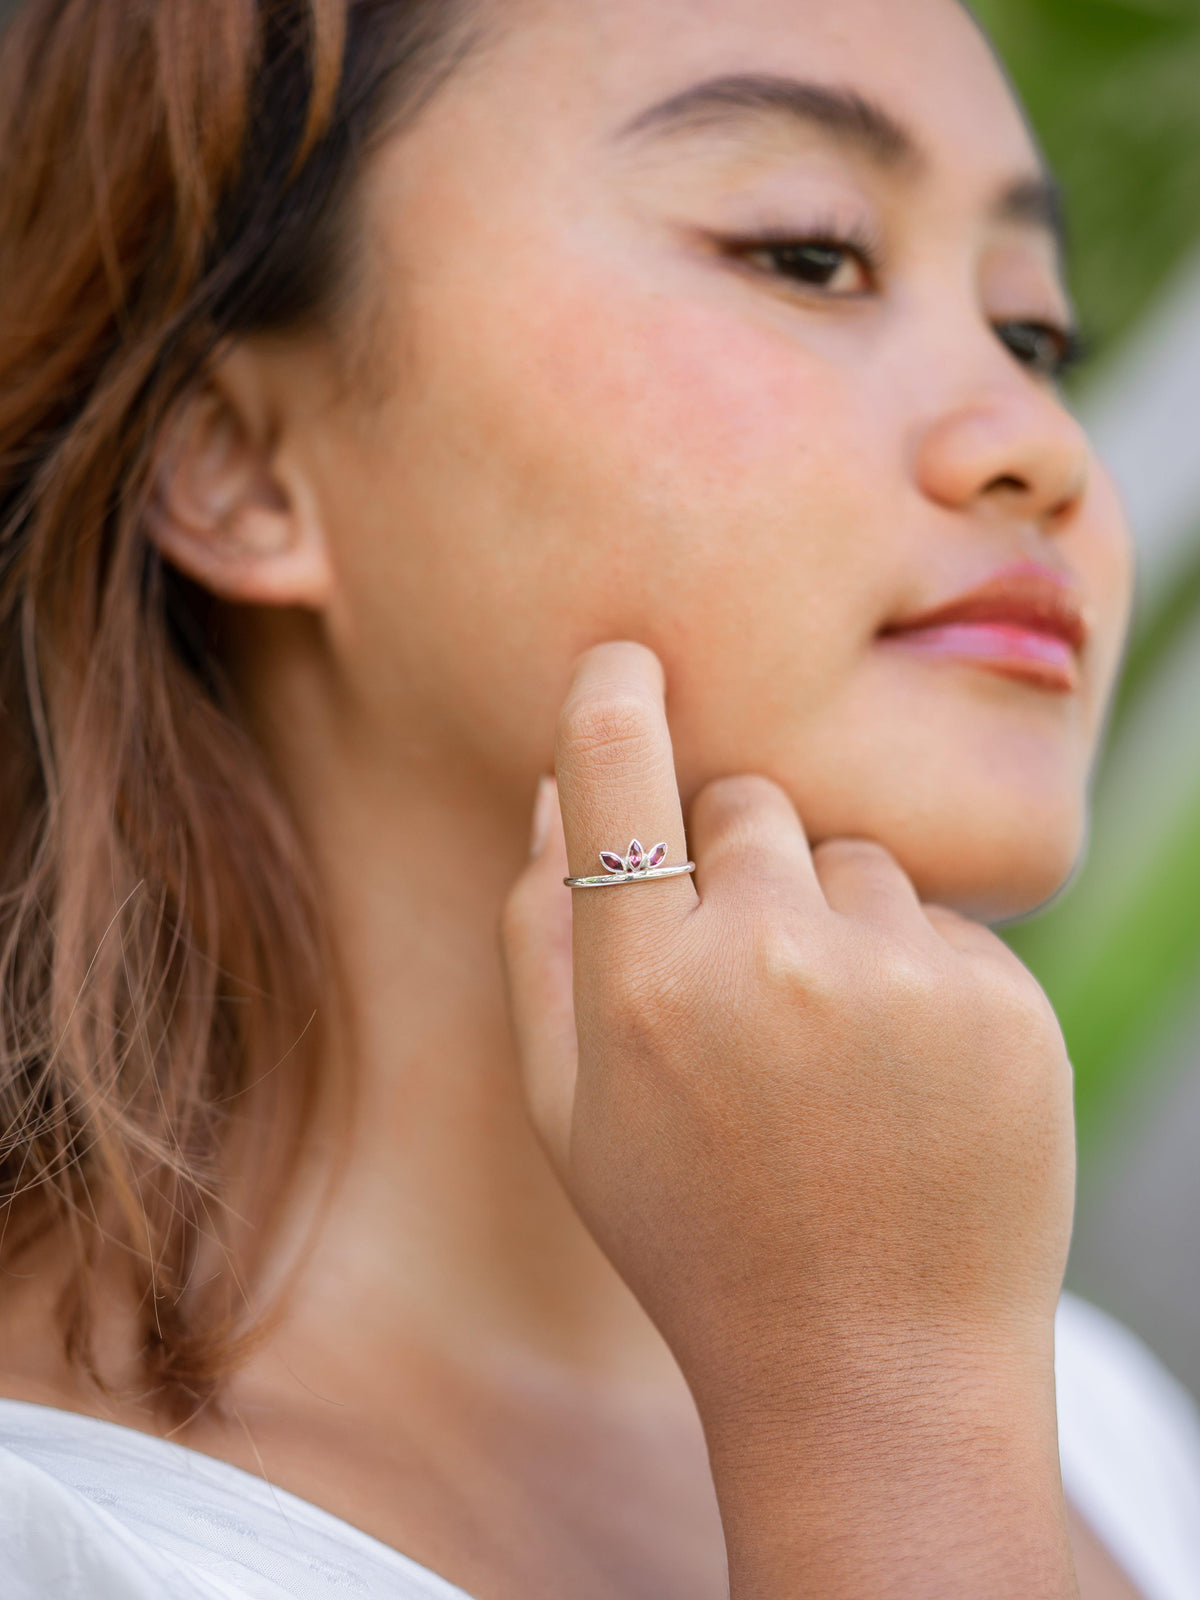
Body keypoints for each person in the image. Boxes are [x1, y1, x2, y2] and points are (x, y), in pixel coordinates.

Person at [1, 0, 1198, 1596]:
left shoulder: (1088, 1422)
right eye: (811, 251)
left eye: (1035, 332)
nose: (1037, 444)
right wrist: (882, 1436)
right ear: (235, 462)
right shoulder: (65, 1541)